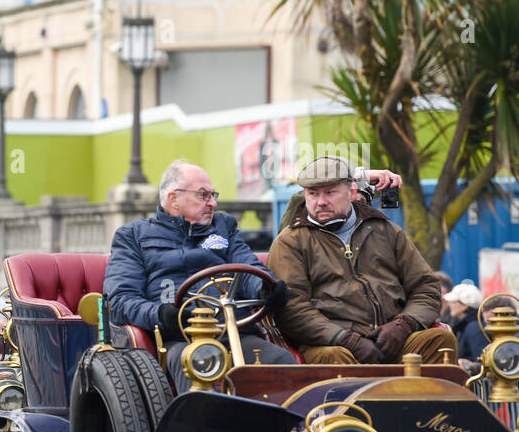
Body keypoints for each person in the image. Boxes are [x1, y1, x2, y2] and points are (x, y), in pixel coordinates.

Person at [105, 159, 296, 393]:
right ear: (174, 198)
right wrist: (162, 315)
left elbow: (247, 269)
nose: (213, 203)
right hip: (178, 339)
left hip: (234, 331)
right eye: (203, 195)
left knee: (282, 362)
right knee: (197, 364)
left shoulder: (224, 226)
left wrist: (265, 289)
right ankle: (200, 428)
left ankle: (288, 428)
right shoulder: (133, 236)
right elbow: (121, 299)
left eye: (213, 195)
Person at [268, 156, 456, 365]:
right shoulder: (290, 242)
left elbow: (426, 287)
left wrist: (403, 326)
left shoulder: (385, 231)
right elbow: (292, 308)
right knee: (332, 357)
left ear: (351, 192)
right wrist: (346, 339)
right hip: (333, 344)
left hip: (394, 339)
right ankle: (353, 399)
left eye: (330, 192)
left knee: (441, 340)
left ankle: (422, 398)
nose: (320, 202)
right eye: (312, 194)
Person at [443, 282, 487, 369]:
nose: (449, 304)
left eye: (453, 301)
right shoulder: (466, 326)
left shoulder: (473, 328)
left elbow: (482, 361)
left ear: (465, 305)